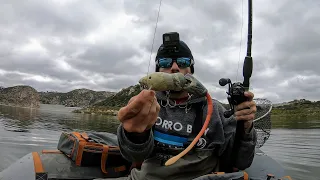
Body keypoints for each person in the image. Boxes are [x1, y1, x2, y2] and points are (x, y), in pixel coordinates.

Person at [114, 33, 257, 180]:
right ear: (158, 70)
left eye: (182, 62)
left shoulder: (215, 110)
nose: (175, 67)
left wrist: (245, 128)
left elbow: (240, 162)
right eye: (165, 62)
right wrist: (135, 135)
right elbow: (132, 156)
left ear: (191, 69)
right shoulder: (146, 105)